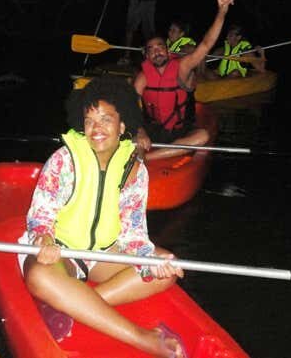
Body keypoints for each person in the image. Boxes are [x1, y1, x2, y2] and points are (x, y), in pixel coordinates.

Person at [20, 76, 187, 357]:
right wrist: (44, 238)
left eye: (106, 119)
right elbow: (41, 213)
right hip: (60, 251)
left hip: (105, 252)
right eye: (89, 121)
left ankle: (76, 305)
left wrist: (149, 260)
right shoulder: (65, 159)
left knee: (165, 269)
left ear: (122, 125)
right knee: (39, 276)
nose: (96, 128)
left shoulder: (134, 170)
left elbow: (133, 232)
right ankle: (143, 338)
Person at [133, 0, 234, 161]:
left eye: (160, 47)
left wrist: (222, 12)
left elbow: (205, 45)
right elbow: (130, 106)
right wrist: (140, 131)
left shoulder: (182, 67)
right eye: (151, 49)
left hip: (180, 131)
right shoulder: (143, 77)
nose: (157, 51)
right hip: (152, 129)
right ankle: (136, 159)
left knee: (202, 136)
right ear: (147, 56)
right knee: (130, 132)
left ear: (167, 51)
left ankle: (148, 158)